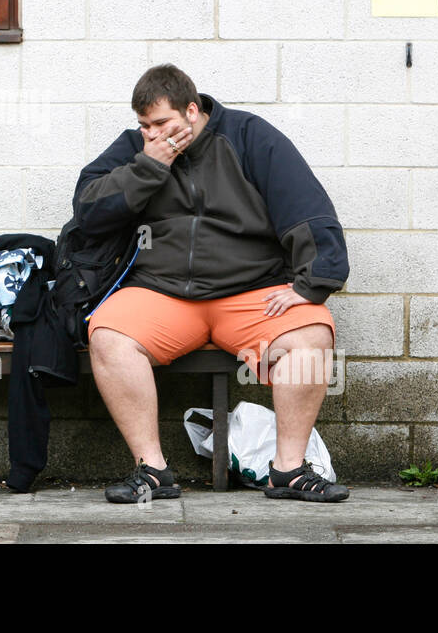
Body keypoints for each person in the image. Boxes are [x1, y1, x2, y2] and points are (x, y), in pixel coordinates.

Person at [75, 64, 351, 503]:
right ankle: (153, 471)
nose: (152, 134)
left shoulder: (248, 137)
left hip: (249, 291)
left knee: (313, 334)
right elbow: (88, 209)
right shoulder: (138, 150)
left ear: (191, 109)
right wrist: (150, 166)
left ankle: (288, 471)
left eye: (162, 124)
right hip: (162, 293)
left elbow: (307, 206)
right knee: (108, 335)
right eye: (144, 125)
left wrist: (313, 282)